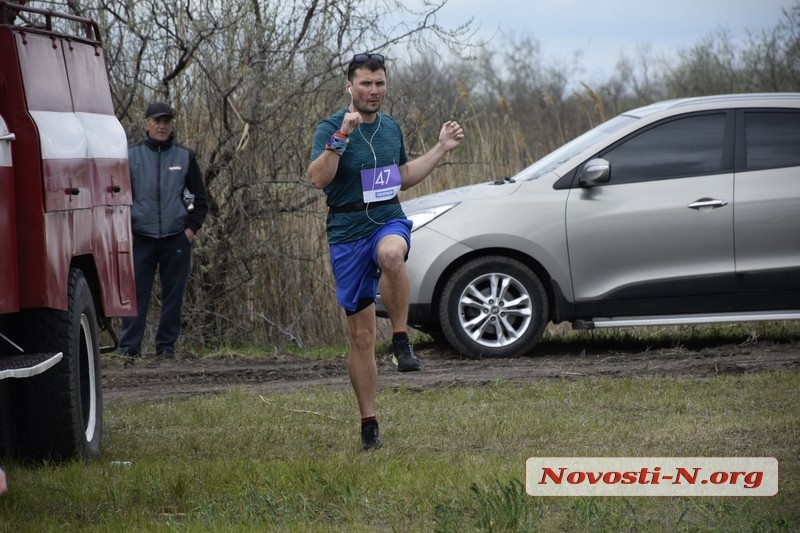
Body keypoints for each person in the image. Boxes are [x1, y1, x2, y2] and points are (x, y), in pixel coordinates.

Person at [308, 53, 464, 450]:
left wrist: (440, 148)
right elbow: (317, 179)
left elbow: (401, 178)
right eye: (365, 84)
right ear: (350, 86)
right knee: (360, 338)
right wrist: (341, 136)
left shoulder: (391, 129)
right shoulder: (331, 127)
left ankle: (400, 340)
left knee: (392, 255)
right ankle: (369, 424)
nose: (373, 91)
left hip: (387, 218)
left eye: (379, 84)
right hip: (346, 230)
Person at [118, 102, 208, 358]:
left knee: (173, 296)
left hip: (175, 238)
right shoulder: (130, 155)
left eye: (167, 121)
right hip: (141, 238)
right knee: (136, 296)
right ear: (146, 124)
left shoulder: (184, 157)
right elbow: (120, 198)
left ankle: (165, 348)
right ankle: (129, 350)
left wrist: (190, 230)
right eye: (157, 121)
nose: (162, 126)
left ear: (172, 125)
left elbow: (200, 200)